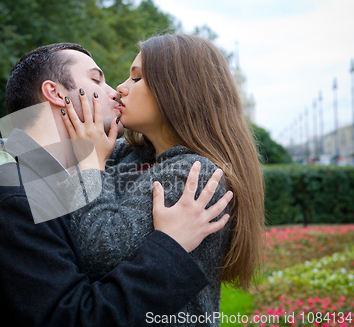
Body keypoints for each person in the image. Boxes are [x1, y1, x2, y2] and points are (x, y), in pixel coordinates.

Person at [0, 42, 233, 327]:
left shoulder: (62, 172)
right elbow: (74, 318)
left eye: (134, 78)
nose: (116, 90)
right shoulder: (17, 197)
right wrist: (170, 246)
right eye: (97, 79)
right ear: (56, 93)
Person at [61, 34, 265, 326]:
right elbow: (57, 165)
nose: (120, 88)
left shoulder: (194, 174)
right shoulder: (134, 155)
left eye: (137, 78)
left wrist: (91, 165)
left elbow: (100, 252)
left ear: (178, 90)